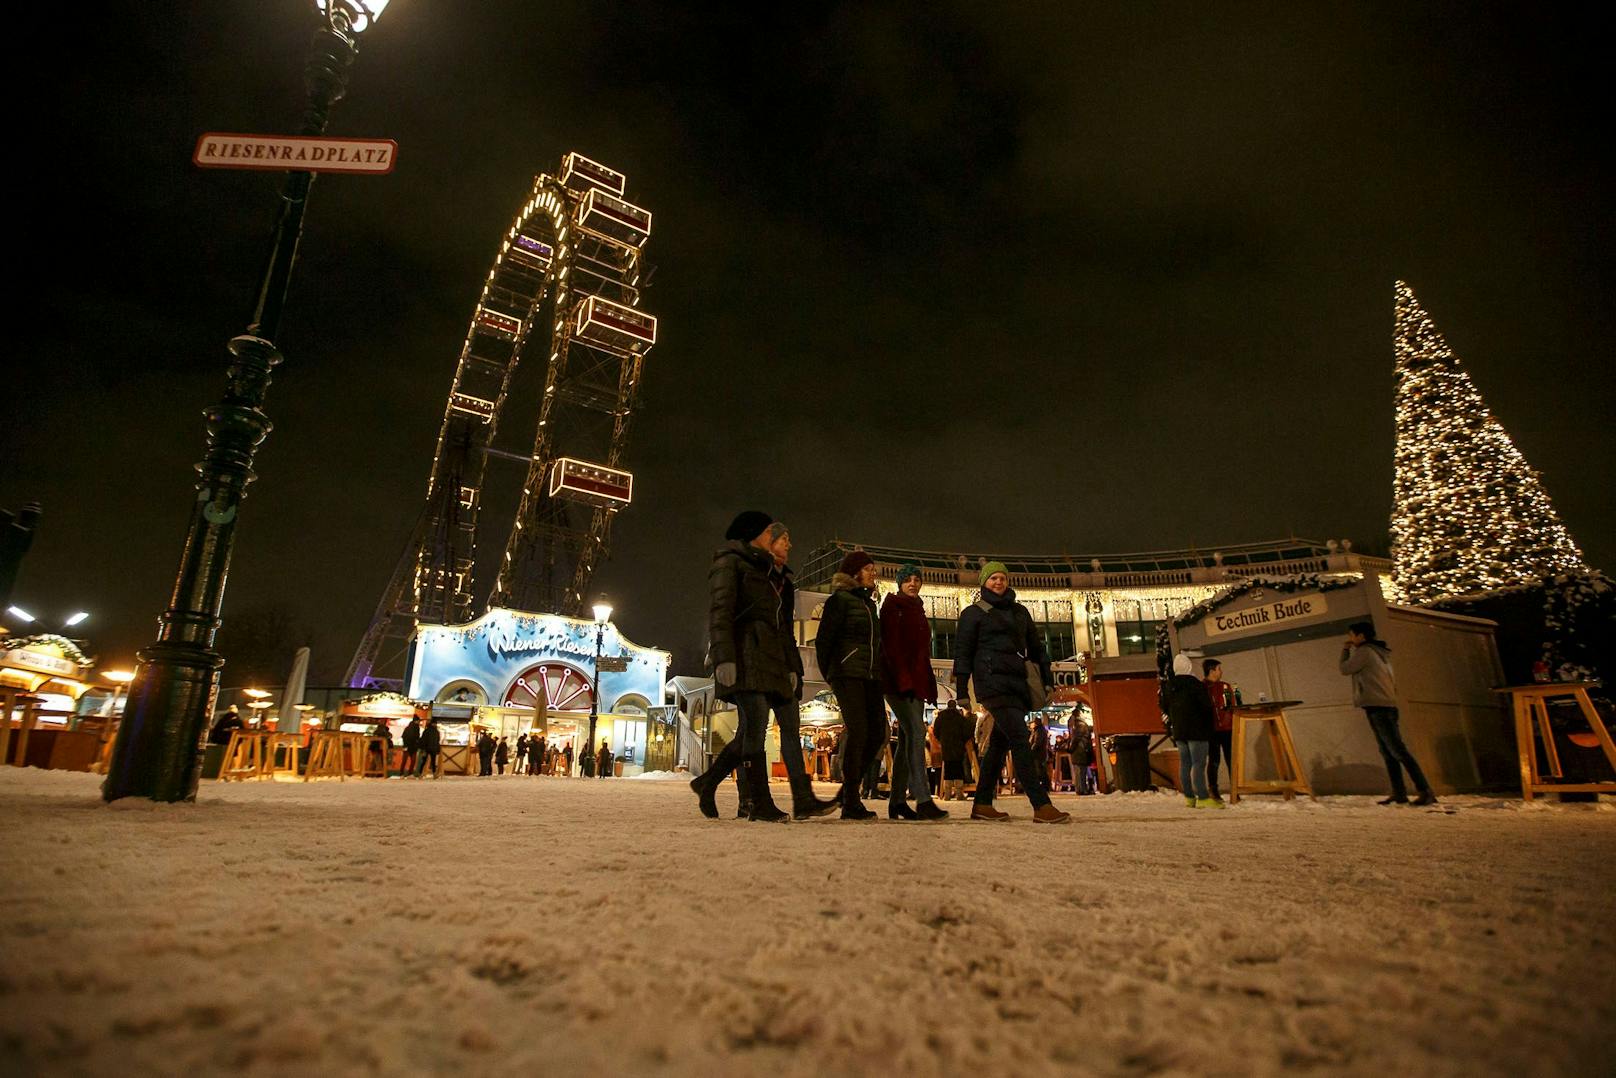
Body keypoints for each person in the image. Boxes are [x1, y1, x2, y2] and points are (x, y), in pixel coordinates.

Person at [687, 510, 792, 822]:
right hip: (743, 655)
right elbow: (720, 610)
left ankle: (707, 782)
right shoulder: (729, 562)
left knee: (750, 729)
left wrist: (786, 664)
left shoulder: (761, 568)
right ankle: (759, 801)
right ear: (755, 534)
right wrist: (724, 657)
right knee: (755, 724)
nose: (774, 535)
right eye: (769, 530)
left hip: (762, 657)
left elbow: (775, 623)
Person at [954, 562, 1070, 823]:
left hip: (1017, 684)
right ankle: (1041, 805)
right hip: (991, 683)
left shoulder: (1020, 612)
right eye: (993, 578)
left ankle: (982, 804)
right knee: (1019, 738)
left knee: (999, 743)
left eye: (1002, 578)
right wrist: (962, 690)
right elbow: (963, 654)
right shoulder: (973, 613)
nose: (998, 582)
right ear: (984, 582)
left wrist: (1047, 678)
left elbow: (1038, 648)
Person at [761, 523, 838, 819]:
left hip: (781, 665)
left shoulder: (787, 583)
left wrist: (794, 667)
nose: (789, 545)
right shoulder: (755, 576)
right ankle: (743, 793)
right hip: (757, 662)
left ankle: (804, 799)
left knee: (791, 730)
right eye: (784, 539)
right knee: (751, 734)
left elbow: (786, 632)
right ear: (768, 543)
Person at [816, 550, 887, 820]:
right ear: (855, 572)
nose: (874, 573)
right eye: (869, 569)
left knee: (877, 732)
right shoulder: (839, 601)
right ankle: (852, 800)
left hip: (871, 676)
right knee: (858, 731)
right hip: (848, 674)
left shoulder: (869, 605)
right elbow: (824, 641)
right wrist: (833, 674)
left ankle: (849, 790)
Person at [1340, 621, 1437, 806]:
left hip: (1378, 706)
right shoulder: (1380, 652)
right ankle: (1399, 792)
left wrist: (1345, 651)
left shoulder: (1365, 652)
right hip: (1386, 704)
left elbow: (1345, 669)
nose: (1350, 638)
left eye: (1352, 635)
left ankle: (1425, 790)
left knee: (1397, 750)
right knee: (1388, 751)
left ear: (1361, 636)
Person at [879, 563, 948, 821]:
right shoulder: (892, 607)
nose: (912, 583)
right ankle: (923, 798)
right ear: (899, 583)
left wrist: (926, 683)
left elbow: (922, 654)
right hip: (897, 682)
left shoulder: (918, 609)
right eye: (907, 580)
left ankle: (897, 801)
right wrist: (904, 680)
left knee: (909, 739)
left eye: (916, 579)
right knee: (917, 733)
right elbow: (891, 648)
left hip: (916, 682)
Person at [1161, 653, 1221, 808]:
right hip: (1197, 730)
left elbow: (1164, 706)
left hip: (1180, 731)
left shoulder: (1169, 685)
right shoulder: (1195, 684)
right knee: (1199, 764)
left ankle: (1189, 797)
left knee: (1185, 764)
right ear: (1188, 666)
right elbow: (1206, 707)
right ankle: (1202, 797)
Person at [1203, 659, 1235, 801]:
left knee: (1231, 759)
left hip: (1227, 729)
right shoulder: (1202, 688)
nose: (1221, 671)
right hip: (1212, 730)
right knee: (1214, 760)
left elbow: (1233, 705)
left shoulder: (1225, 687)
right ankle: (1213, 789)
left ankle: (1235, 789)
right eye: (1219, 668)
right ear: (1212, 670)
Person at [933, 699, 971, 801]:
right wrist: (962, 741)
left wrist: (941, 740)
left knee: (948, 768)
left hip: (946, 746)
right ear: (955, 706)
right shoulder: (960, 717)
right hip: (958, 746)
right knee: (958, 768)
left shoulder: (941, 717)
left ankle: (948, 794)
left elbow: (935, 731)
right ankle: (959, 794)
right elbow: (967, 732)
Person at [402, 713, 425, 777]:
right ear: (416, 721)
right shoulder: (416, 728)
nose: (419, 722)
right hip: (413, 747)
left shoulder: (408, 728)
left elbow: (404, 736)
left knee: (404, 760)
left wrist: (405, 745)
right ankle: (410, 772)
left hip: (407, 746)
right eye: (418, 721)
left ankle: (401, 773)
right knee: (413, 760)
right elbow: (416, 738)